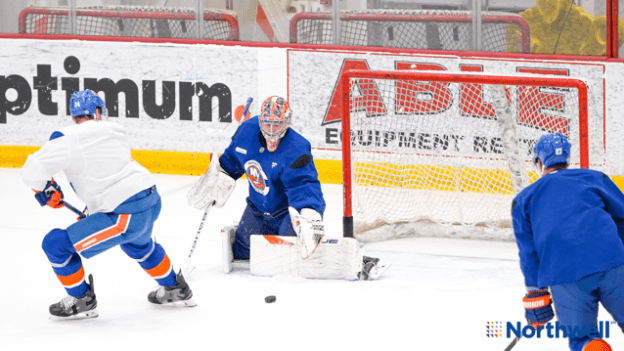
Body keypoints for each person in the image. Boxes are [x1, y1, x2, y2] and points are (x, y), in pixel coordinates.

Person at [20, 90, 195, 320]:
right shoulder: (114, 130)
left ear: (74, 116)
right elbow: (105, 175)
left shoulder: (67, 137)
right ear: (99, 112)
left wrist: (45, 189)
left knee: (55, 244)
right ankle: (177, 288)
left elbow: (31, 170)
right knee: (139, 246)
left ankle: (82, 300)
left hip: (126, 215)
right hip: (151, 202)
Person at [187, 96, 385, 280]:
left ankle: (350, 258)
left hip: (287, 214)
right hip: (256, 210)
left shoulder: (296, 148)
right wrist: (219, 178)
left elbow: (303, 184)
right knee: (241, 252)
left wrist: (309, 212)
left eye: (278, 123)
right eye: (267, 123)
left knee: (292, 253)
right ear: (259, 121)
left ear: (287, 122)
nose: (272, 130)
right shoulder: (246, 133)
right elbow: (232, 160)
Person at [511, 132, 624, 351]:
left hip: (564, 275)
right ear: (568, 159)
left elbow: (529, 254)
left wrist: (536, 295)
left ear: (539, 162)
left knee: (583, 339)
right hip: (612, 262)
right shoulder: (595, 178)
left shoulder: (523, 200)